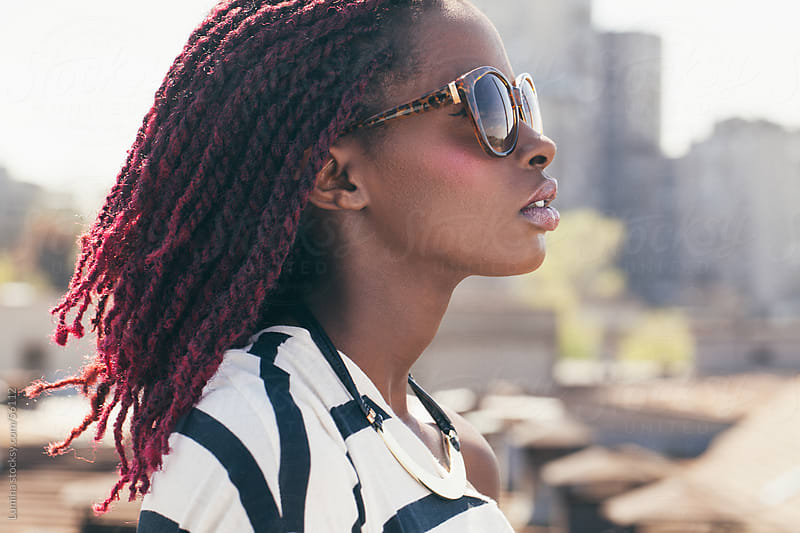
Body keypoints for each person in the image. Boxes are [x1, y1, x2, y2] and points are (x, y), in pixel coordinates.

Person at [24, 0, 558, 530]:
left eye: (522, 104)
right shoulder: (262, 439)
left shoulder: (460, 456)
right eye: (488, 106)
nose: (540, 146)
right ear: (337, 176)